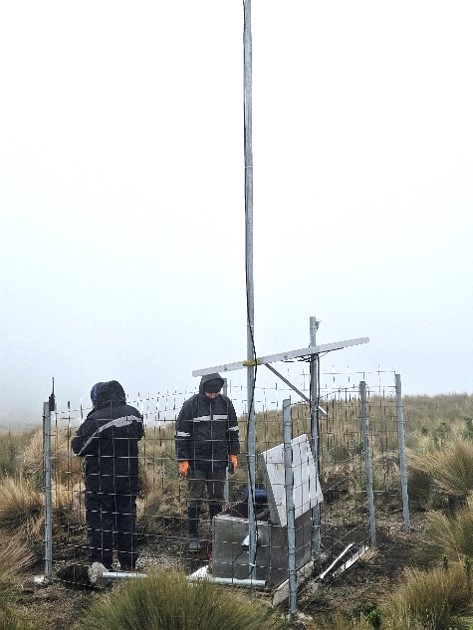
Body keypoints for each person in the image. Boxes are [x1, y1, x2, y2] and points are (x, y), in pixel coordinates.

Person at [71, 380, 144, 570]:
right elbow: (138, 435)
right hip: (129, 478)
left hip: (101, 482)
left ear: (96, 399)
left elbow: (78, 448)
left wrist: (92, 418)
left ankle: (102, 567)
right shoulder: (134, 414)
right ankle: (128, 565)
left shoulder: (96, 420)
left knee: (100, 523)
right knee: (127, 520)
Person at [175, 372, 240, 551]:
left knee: (216, 498)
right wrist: (183, 460)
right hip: (196, 463)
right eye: (210, 392)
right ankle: (193, 537)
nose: (213, 395)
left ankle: (216, 535)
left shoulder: (226, 404)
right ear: (203, 388)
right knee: (194, 498)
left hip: (218, 462)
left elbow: (233, 431)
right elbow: (181, 435)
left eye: (216, 392)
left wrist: (234, 454)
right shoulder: (191, 405)